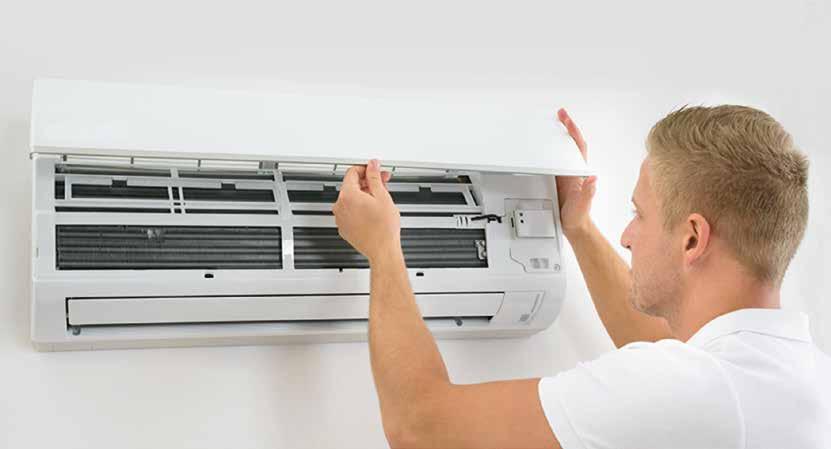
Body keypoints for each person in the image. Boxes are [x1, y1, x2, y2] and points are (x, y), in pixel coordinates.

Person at [331, 106, 831, 449]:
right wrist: (578, 228)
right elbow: (670, 349)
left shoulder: (690, 388)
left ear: (692, 239)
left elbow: (420, 426)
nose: (628, 236)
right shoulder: (804, 376)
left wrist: (383, 249)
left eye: (639, 214)